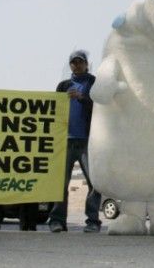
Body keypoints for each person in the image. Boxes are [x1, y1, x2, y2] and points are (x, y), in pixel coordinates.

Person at [47, 50, 102, 233]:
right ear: (70, 65)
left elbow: (102, 107)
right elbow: (54, 110)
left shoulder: (94, 83)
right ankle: (57, 221)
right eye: (74, 62)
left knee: (95, 182)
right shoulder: (63, 85)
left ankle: (93, 221)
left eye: (80, 62)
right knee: (59, 184)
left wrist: (83, 99)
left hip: (88, 141)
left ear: (87, 64)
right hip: (65, 142)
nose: (77, 65)